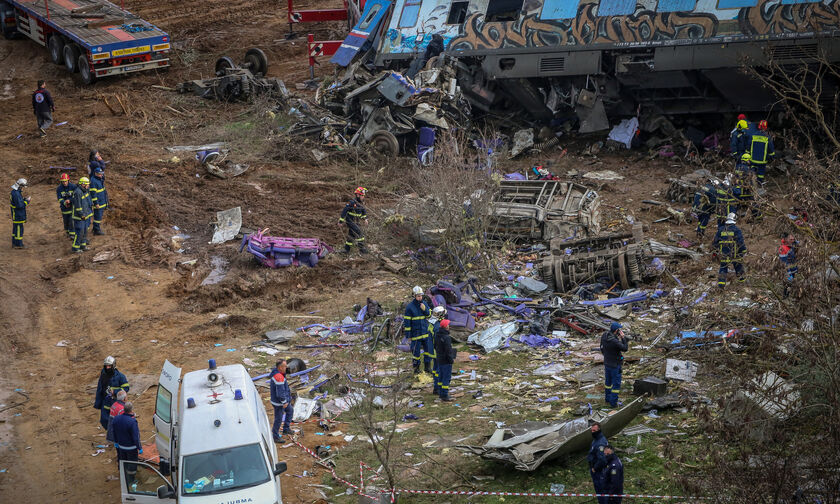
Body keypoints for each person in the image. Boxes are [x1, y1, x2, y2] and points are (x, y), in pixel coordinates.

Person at [94, 356, 129, 430]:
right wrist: (98, 403)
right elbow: (100, 388)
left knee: (116, 420)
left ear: (113, 365)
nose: (107, 368)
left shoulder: (120, 376)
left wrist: (115, 392)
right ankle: (110, 431)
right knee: (104, 420)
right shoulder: (103, 375)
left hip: (116, 402)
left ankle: (116, 434)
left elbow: (126, 388)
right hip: (105, 401)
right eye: (106, 366)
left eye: (109, 366)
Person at [713, 212, 746, 288]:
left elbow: (715, 242)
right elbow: (740, 242)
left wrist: (716, 251)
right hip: (734, 254)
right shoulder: (737, 230)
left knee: (723, 268)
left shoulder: (721, 230)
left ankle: (721, 285)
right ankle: (742, 283)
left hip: (723, 254)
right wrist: (743, 250)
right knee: (738, 267)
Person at [112, 402, 142, 484]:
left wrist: (116, 442)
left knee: (123, 461)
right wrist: (139, 447)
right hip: (131, 448)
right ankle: (131, 480)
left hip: (121, 447)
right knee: (132, 464)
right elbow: (136, 437)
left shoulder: (116, 419)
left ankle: (123, 476)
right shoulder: (132, 422)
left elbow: (113, 432)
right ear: (131, 410)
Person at [404, 286, 431, 374]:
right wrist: (408, 336)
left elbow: (429, 315)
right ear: (414, 296)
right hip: (416, 335)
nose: (420, 297)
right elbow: (407, 323)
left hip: (425, 333)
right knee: (416, 354)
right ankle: (416, 369)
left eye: (421, 296)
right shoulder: (409, 307)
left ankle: (427, 367)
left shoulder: (424, 304)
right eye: (418, 296)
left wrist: (425, 309)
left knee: (428, 351)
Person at [600, 322, 628, 408]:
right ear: (617, 331)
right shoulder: (614, 341)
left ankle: (607, 399)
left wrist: (606, 356)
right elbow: (625, 348)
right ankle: (613, 403)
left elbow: (601, 347)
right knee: (616, 385)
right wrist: (623, 338)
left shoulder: (605, 336)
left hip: (607, 363)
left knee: (608, 383)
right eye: (619, 330)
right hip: (615, 365)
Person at [269, 360, 294, 442]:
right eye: (284, 366)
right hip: (279, 403)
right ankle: (275, 436)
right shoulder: (278, 377)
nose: (286, 368)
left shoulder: (278, 374)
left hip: (281, 401)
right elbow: (280, 393)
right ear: (280, 367)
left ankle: (286, 429)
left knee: (290, 410)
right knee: (278, 419)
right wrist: (284, 402)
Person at [339, 187, 368, 254]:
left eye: (363, 196)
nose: (363, 197)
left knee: (351, 235)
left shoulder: (361, 203)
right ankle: (361, 249)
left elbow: (364, 211)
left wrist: (365, 219)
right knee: (359, 232)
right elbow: (344, 211)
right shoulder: (352, 202)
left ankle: (346, 250)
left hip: (356, 222)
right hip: (350, 221)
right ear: (357, 195)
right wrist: (341, 221)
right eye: (362, 195)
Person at [434, 319, 456, 401]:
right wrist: (451, 360)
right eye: (448, 324)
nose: (449, 326)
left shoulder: (437, 335)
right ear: (445, 326)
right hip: (446, 360)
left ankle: (440, 392)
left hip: (439, 359)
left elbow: (435, 346)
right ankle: (444, 395)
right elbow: (448, 350)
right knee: (446, 378)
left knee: (441, 376)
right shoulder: (447, 337)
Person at [748, 120, 775, 185]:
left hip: (753, 159)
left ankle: (751, 182)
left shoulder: (753, 135)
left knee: (752, 170)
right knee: (761, 172)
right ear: (766, 128)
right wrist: (772, 156)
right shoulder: (767, 137)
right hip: (762, 160)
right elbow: (771, 149)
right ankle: (760, 183)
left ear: (759, 127)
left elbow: (748, 146)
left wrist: (748, 154)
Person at [587, 422, 609, 504]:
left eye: (594, 430)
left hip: (599, 471)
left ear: (599, 430)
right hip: (596, 468)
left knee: (601, 489)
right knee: (599, 489)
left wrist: (594, 468)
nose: (592, 432)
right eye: (591, 430)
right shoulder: (596, 439)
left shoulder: (600, 443)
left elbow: (602, 459)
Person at [71, 176, 93, 253]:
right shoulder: (77, 192)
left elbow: (88, 202)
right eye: (87, 184)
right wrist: (81, 215)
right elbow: (78, 206)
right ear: (83, 184)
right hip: (79, 217)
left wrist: (89, 213)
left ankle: (83, 245)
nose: (88, 185)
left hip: (86, 215)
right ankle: (75, 248)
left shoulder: (85, 191)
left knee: (85, 231)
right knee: (79, 232)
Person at [429, 305, 446, 396]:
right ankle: (438, 388)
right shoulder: (437, 326)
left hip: (433, 350)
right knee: (440, 370)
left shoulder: (432, 323)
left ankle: (436, 388)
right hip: (438, 351)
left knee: (435, 369)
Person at [10, 178, 29, 249]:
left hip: (17, 214)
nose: (23, 188)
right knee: (19, 229)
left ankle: (14, 243)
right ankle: (18, 244)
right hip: (18, 214)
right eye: (23, 186)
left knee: (15, 229)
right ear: (20, 185)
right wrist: (27, 201)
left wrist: (24, 199)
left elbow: (18, 202)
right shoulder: (16, 194)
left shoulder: (15, 192)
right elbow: (20, 205)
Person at [56, 173, 76, 239]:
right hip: (64, 208)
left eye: (65, 181)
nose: (64, 183)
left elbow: (75, 196)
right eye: (63, 181)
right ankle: (67, 232)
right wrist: (64, 202)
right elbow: (59, 198)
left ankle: (72, 234)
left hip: (72, 207)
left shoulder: (73, 186)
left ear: (68, 180)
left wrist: (70, 200)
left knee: (72, 221)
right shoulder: (59, 188)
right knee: (66, 221)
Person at [778, 233, 799, 298]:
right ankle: (785, 299)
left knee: (792, 287)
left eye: (793, 239)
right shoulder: (783, 249)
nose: (792, 241)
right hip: (788, 272)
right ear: (786, 239)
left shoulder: (792, 245)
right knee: (787, 286)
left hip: (794, 270)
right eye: (791, 239)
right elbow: (784, 264)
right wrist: (788, 275)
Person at [89, 167, 108, 235]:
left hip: (102, 202)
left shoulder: (99, 179)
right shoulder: (93, 181)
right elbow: (93, 195)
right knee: (97, 217)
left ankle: (95, 228)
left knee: (99, 217)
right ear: (96, 174)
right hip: (98, 204)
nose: (101, 175)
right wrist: (96, 203)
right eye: (100, 174)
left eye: (101, 174)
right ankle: (96, 230)